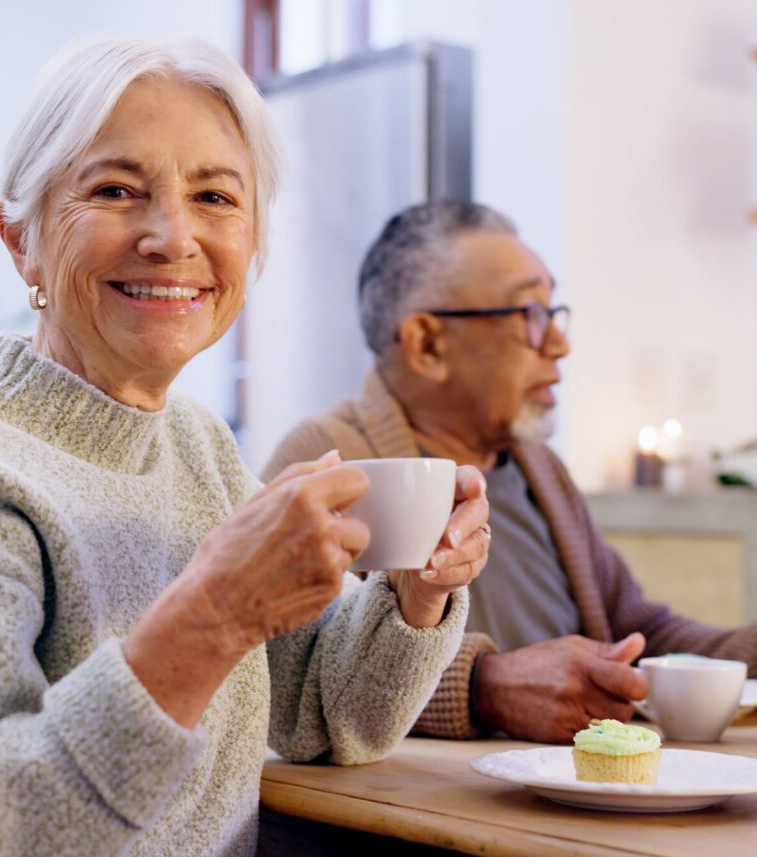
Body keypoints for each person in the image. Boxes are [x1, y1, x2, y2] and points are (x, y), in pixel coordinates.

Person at [0, 41, 491, 857]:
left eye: (216, 196)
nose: (173, 237)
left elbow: (319, 718)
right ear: (22, 239)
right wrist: (212, 616)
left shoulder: (198, 446)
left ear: (252, 243)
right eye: (116, 190)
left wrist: (414, 596)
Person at [263, 200, 757, 745]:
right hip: (427, 810)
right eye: (530, 315)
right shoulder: (330, 458)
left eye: (553, 312)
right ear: (428, 344)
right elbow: (294, 674)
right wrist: (484, 685)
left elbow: (643, 633)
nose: (560, 343)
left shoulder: (539, 468)